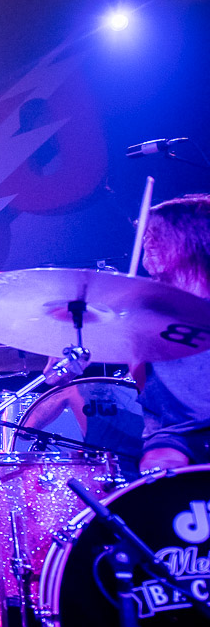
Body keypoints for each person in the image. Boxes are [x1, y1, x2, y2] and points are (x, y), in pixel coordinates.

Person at [135, 194, 210, 472]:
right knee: (159, 468)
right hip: (174, 433)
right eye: (146, 237)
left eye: (157, 236)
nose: (147, 244)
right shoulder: (141, 310)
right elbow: (143, 383)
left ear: (194, 238)